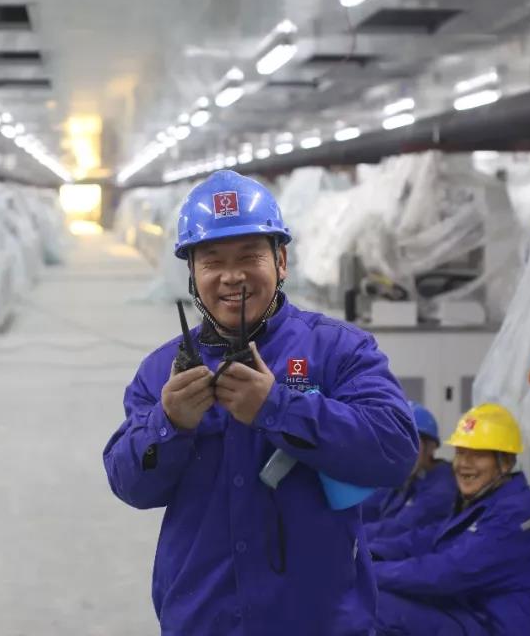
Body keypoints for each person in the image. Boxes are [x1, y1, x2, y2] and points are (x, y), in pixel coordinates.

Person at [103, 170, 420, 635]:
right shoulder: (162, 371)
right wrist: (169, 423)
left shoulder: (338, 350)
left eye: (249, 256)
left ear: (281, 260)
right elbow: (129, 485)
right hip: (205, 618)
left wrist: (278, 407)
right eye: (212, 261)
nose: (232, 276)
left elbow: (396, 450)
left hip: (318, 620)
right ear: (192, 274)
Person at [372, 403, 530, 636]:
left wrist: (370, 571)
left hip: (495, 627)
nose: (464, 464)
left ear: (506, 462)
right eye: (460, 452)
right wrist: (368, 553)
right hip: (475, 614)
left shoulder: (515, 516)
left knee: (375, 605)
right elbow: (431, 537)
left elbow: (446, 573)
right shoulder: (488, 499)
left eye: (478, 455)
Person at [362, 402, 456, 541]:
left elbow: (399, 527)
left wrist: (352, 535)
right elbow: (368, 507)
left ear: (430, 447)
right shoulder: (407, 474)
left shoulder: (441, 488)